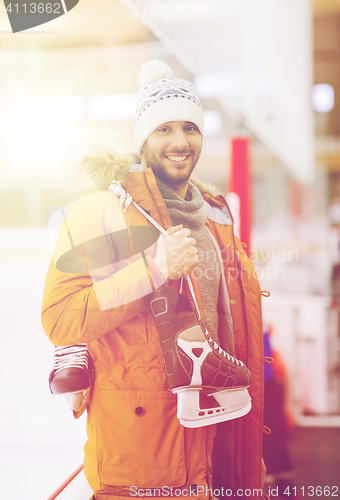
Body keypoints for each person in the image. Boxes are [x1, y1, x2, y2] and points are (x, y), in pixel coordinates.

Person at [42, 60, 265, 500]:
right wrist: (153, 270)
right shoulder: (100, 213)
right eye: (163, 130)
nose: (180, 142)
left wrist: (249, 448)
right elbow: (62, 318)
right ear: (142, 138)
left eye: (190, 127)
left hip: (220, 446)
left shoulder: (215, 221)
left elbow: (234, 335)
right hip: (141, 463)